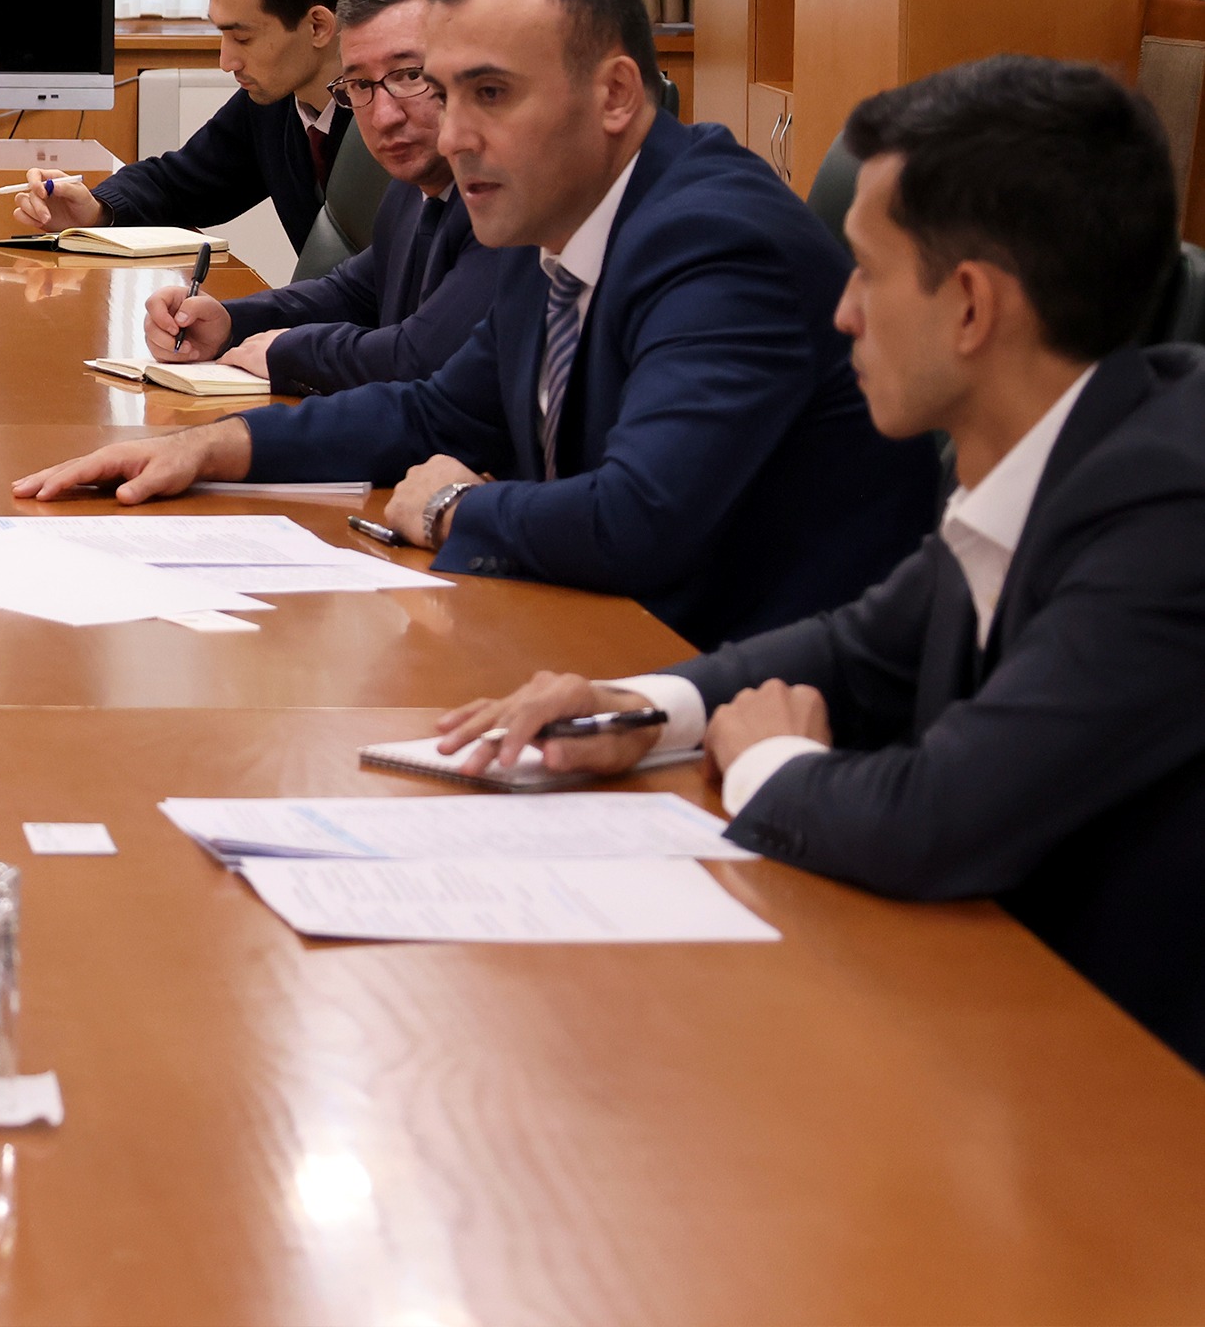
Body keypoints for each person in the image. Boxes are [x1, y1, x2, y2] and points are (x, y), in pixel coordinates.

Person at [434, 58, 1205, 1070]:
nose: (842, 312)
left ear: (971, 308)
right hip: (1001, 1013)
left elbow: (937, 821)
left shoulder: (1170, 505)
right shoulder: (1064, 455)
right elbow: (857, 649)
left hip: (1132, 1087)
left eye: (867, 272)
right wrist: (636, 708)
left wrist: (768, 760)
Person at [20, 0, 939, 647]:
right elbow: (438, 411)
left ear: (616, 95)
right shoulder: (564, 218)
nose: (453, 135)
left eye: (489, 94)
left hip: (745, 688)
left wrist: (452, 508)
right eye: (449, 93)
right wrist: (212, 448)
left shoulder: (715, 241)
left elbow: (639, 520)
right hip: (609, 641)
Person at [147, 0, 510, 395]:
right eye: (360, 86)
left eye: (410, 75)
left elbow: (421, 357)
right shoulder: (409, 188)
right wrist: (229, 321)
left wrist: (289, 351)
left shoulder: (508, 201)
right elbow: (352, 292)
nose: (384, 116)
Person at [12, 0, 357, 251]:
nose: (226, 62)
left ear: (318, 26)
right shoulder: (272, 104)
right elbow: (175, 184)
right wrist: (96, 210)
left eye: (242, 37)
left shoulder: (383, 119)